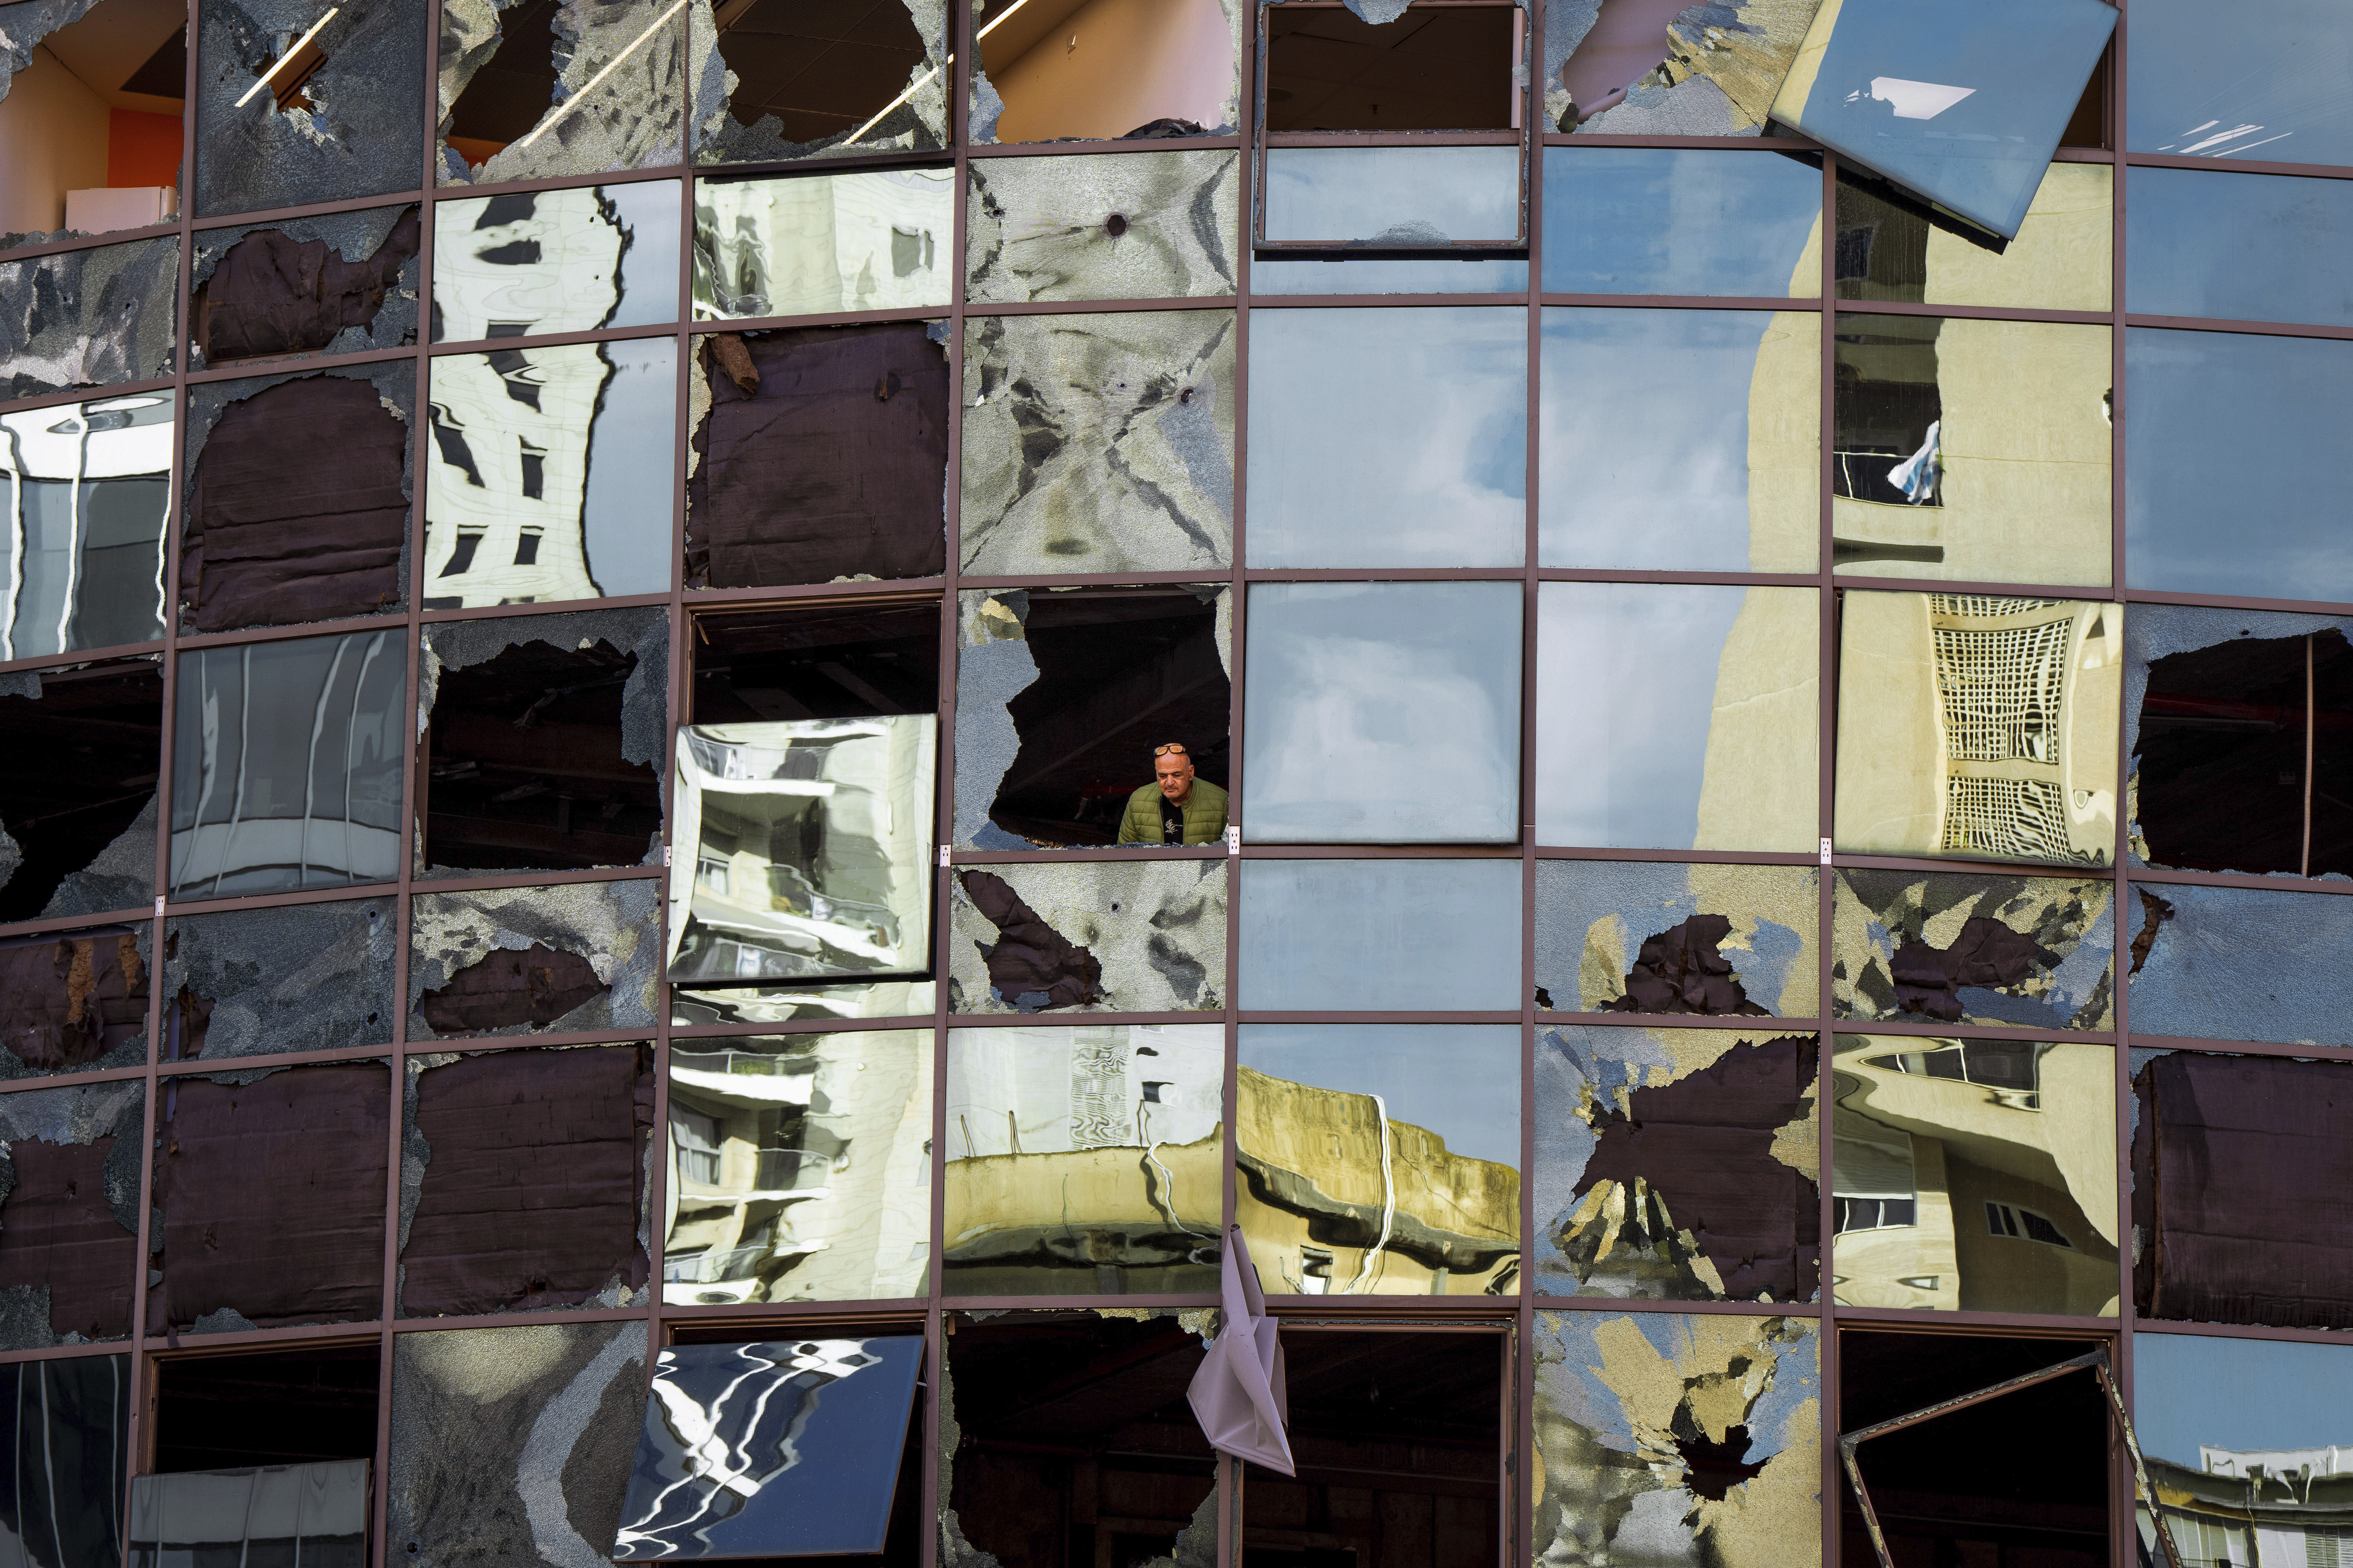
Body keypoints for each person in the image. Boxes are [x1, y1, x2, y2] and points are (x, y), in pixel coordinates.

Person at [1116, 743, 1228, 845]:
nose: (1169, 783)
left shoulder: (1222, 802)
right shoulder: (1138, 800)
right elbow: (1123, 854)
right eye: (1163, 776)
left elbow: (1233, 855)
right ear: (1156, 773)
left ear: (1191, 773)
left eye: (1177, 775)